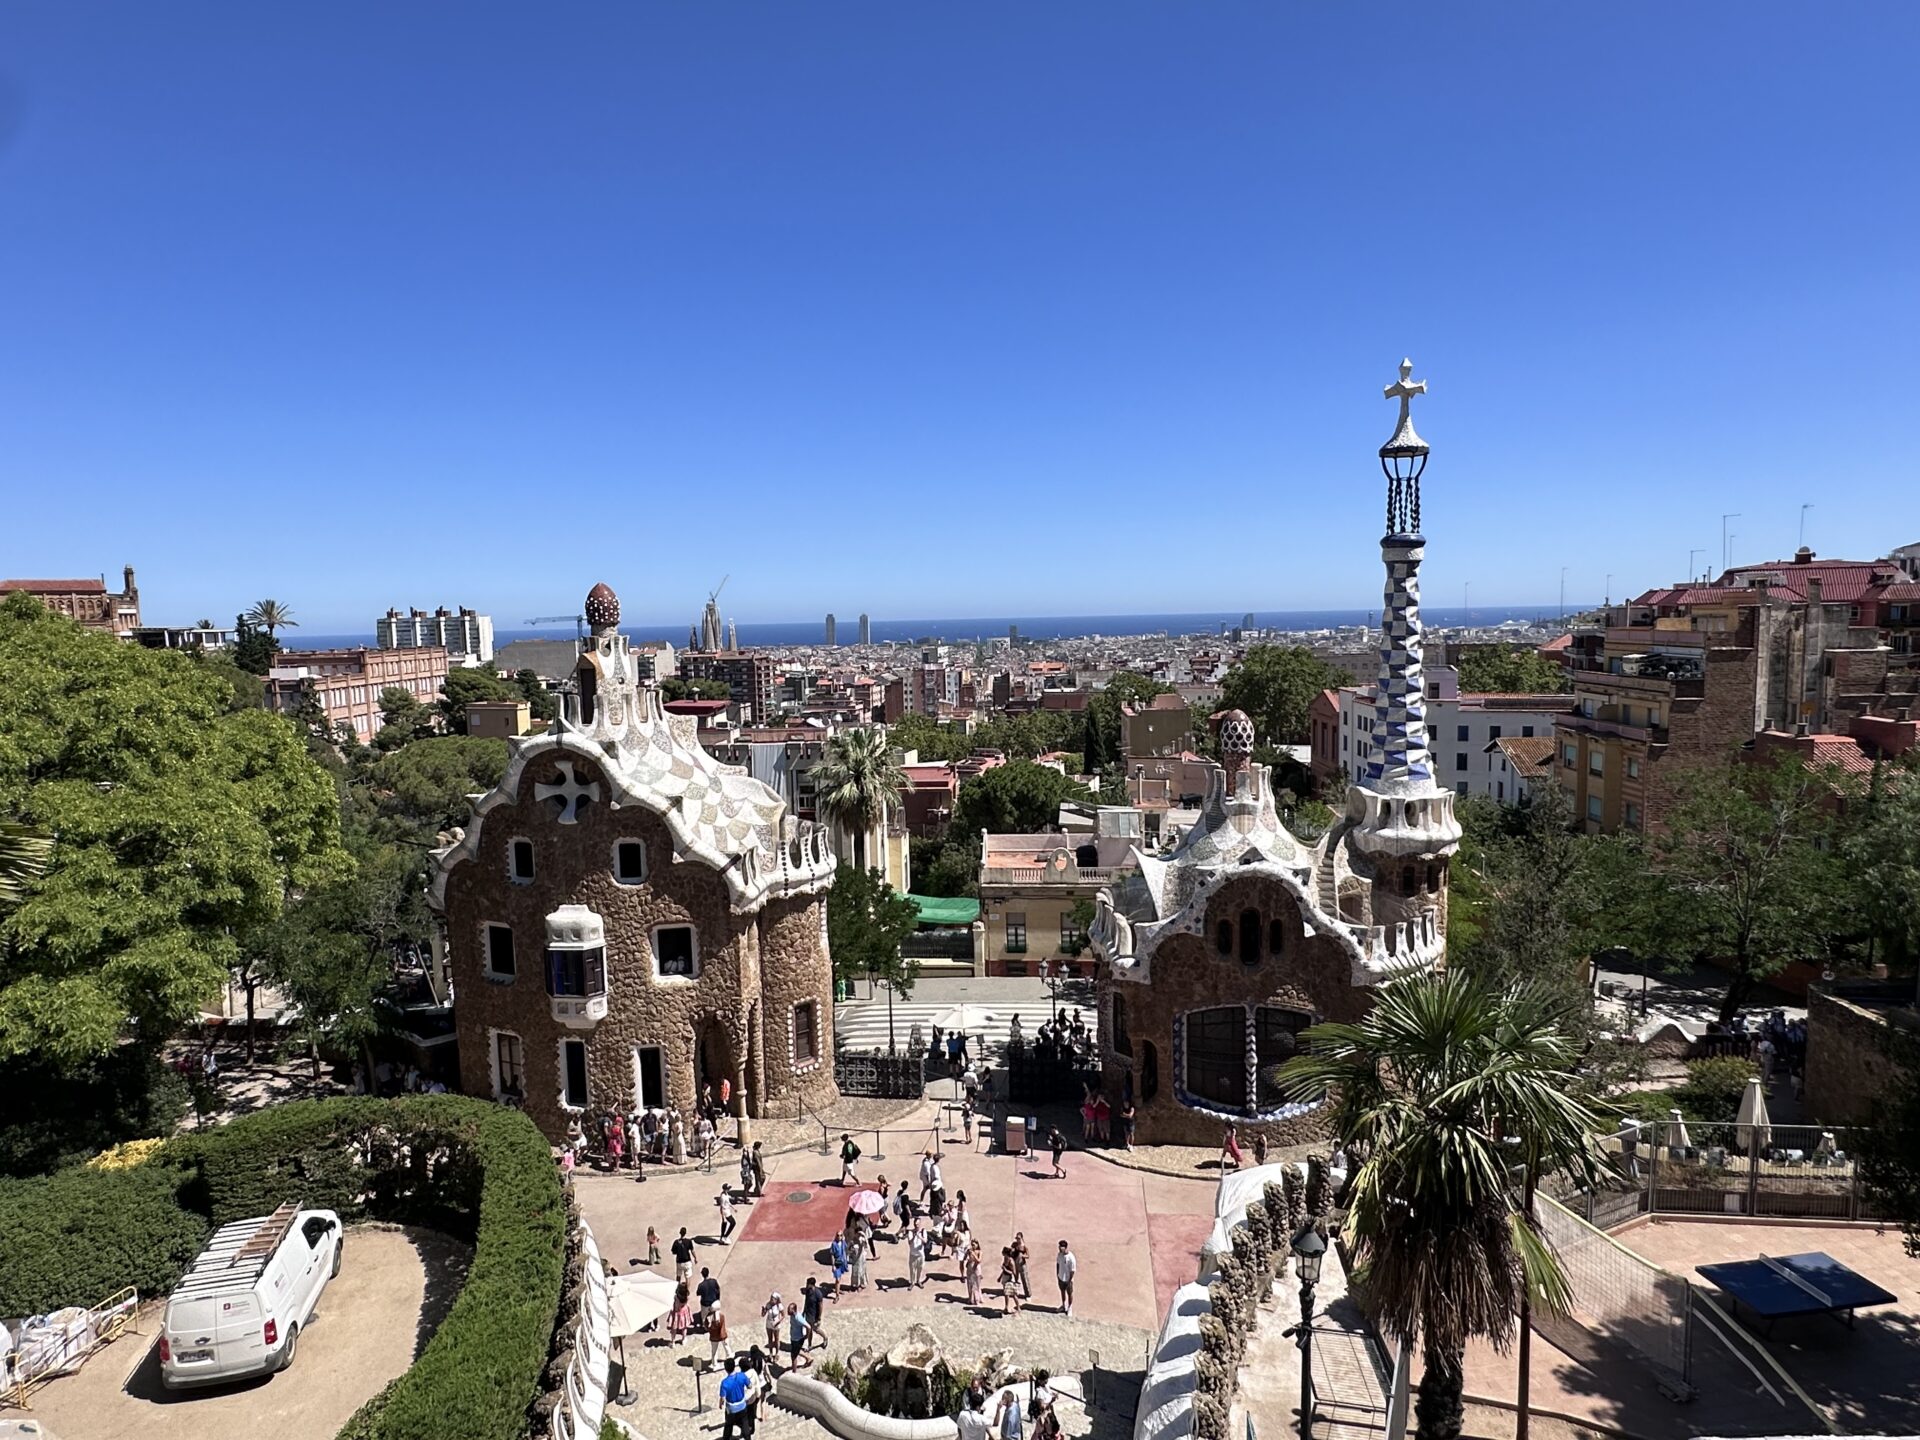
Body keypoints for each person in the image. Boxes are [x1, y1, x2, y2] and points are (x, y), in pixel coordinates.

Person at [720, 1355, 753, 1440]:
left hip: (731, 1409)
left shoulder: (724, 1383)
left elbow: (722, 1398)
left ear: (726, 1369)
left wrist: (720, 1404)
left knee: (728, 1425)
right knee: (745, 1423)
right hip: (742, 1406)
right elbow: (750, 1386)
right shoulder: (742, 1376)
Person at [802, 1277, 827, 1350]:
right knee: (808, 1329)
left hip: (814, 1315)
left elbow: (820, 1306)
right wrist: (804, 1311)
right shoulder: (808, 1291)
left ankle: (825, 1337)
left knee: (816, 1330)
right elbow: (806, 1301)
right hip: (808, 1314)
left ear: (811, 1284)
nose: (806, 1285)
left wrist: (819, 1318)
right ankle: (809, 1344)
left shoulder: (818, 1294)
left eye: (807, 1284)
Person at [785, 1301, 810, 1370]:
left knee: (793, 1356)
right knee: (796, 1351)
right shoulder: (793, 1315)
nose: (788, 1311)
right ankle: (809, 1358)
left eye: (789, 1309)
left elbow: (808, 1327)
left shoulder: (798, 1318)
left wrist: (807, 1336)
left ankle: (794, 1371)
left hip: (797, 1339)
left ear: (793, 1310)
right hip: (794, 1338)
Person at [1055, 1240, 1077, 1316]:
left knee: (1069, 1293)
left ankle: (1070, 1307)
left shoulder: (1071, 1258)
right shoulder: (1059, 1255)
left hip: (1068, 1279)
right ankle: (1064, 1305)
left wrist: (1069, 1280)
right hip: (1061, 1277)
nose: (1059, 1248)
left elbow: (1072, 1270)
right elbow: (1058, 1264)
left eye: (1061, 1247)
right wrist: (1058, 1274)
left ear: (1065, 1247)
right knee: (1062, 1291)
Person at [705, 1307, 730, 1371]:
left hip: (714, 1337)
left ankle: (715, 1365)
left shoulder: (708, 1318)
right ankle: (729, 1357)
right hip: (722, 1335)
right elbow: (723, 1326)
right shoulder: (721, 1316)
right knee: (726, 1346)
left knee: (714, 1351)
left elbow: (706, 1327)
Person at [849, 1218, 871, 1290]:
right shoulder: (852, 1241)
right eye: (857, 1234)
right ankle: (855, 1285)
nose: (858, 1235)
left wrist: (863, 1237)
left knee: (862, 1271)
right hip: (855, 1260)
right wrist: (851, 1251)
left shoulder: (862, 1240)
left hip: (862, 1259)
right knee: (855, 1272)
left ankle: (861, 1284)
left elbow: (866, 1246)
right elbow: (849, 1249)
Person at [999, 1246, 1022, 1313]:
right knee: (1006, 1294)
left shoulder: (1011, 1261)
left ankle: (1018, 1307)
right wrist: (1000, 1277)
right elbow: (1004, 1270)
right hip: (1005, 1277)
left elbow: (1013, 1272)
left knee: (1012, 1294)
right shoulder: (1005, 1258)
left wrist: (1005, 1269)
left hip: (1009, 1279)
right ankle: (1006, 1307)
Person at [907, 1216, 929, 1288]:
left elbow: (925, 1241)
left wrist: (919, 1236)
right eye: (915, 1224)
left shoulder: (923, 1231)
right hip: (913, 1254)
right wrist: (914, 1236)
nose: (916, 1226)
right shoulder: (910, 1232)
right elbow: (909, 1242)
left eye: (918, 1224)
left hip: (920, 1254)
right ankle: (912, 1283)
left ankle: (918, 1280)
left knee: (920, 1268)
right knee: (912, 1270)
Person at [963, 1236, 984, 1307]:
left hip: (976, 1268)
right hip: (970, 1267)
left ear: (977, 1245)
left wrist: (973, 1254)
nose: (972, 1246)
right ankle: (971, 1298)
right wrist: (966, 1253)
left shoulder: (979, 1252)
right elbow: (964, 1258)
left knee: (976, 1284)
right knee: (970, 1283)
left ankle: (977, 1299)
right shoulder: (969, 1251)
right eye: (972, 1245)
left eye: (974, 1245)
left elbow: (979, 1260)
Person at [1012, 1232, 1031, 1298]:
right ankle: (1016, 1292)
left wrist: (1023, 1256)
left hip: (1022, 1264)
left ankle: (1028, 1294)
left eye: (1019, 1238)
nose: (1017, 1240)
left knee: (1024, 1279)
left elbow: (1028, 1256)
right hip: (1015, 1263)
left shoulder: (1024, 1246)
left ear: (1021, 1238)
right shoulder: (1014, 1244)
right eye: (1017, 1238)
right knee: (1015, 1278)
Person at [830, 1232, 850, 1296]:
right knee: (837, 1279)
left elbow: (847, 1248)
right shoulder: (834, 1244)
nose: (839, 1237)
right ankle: (837, 1295)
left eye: (841, 1235)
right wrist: (833, 1265)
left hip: (842, 1262)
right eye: (838, 1235)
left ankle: (837, 1289)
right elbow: (832, 1255)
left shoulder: (843, 1243)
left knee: (839, 1278)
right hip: (837, 1263)